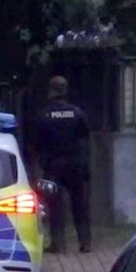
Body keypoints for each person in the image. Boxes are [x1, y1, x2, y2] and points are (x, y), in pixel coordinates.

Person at [32, 75, 92, 253]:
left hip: (53, 166)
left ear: (51, 91)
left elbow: (37, 142)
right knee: (79, 204)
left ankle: (58, 243)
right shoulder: (76, 113)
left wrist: (41, 162)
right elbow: (85, 138)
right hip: (75, 165)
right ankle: (85, 242)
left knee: (55, 205)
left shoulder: (44, 115)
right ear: (65, 91)